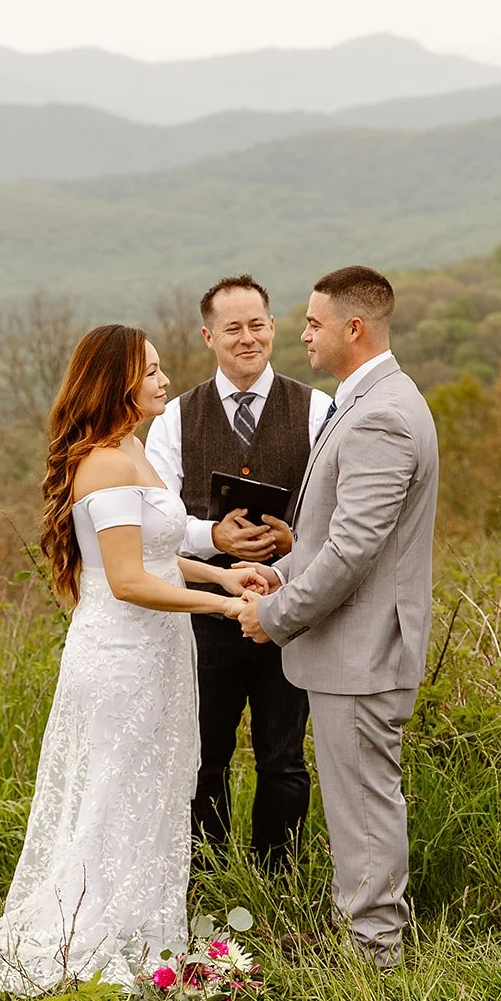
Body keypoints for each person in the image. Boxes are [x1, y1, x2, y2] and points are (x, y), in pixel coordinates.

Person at [0, 325, 267, 994]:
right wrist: (228, 611)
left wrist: (222, 577)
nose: (165, 379)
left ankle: (145, 933)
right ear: (114, 380)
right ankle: (86, 936)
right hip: (120, 659)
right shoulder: (106, 463)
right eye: (151, 371)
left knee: (150, 794)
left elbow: (151, 553)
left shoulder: (130, 449)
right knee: (114, 796)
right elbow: (127, 581)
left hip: (155, 653)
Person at [235, 266, 439, 970]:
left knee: (363, 801)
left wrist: (277, 613)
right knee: (356, 800)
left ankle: (374, 955)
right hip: (354, 647)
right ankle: (361, 932)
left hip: (363, 650)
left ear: (355, 328)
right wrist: (279, 571)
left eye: (314, 322)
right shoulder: (362, 400)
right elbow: (327, 535)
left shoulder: (383, 413)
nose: (302, 333)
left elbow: (354, 550)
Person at [145, 274, 333, 871]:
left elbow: (337, 508)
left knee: (284, 757)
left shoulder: (319, 409)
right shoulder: (174, 419)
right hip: (205, 613)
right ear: (209, 336)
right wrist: (212, 536)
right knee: (204, 756)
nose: (247, 337)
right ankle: (208, 880)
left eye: (258, 324)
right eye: (233, 328)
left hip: (291, 609)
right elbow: (158, 517)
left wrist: (294, 537)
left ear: (273, 327)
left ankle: (278, 882)